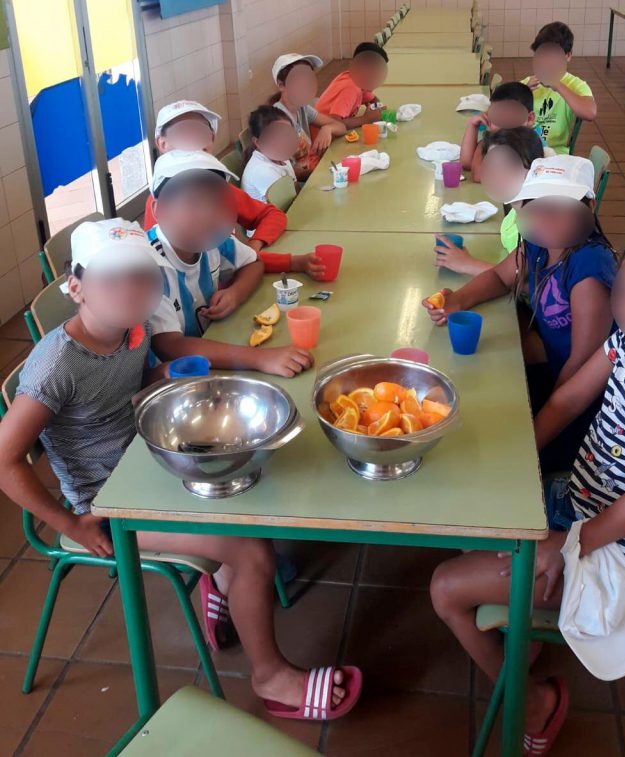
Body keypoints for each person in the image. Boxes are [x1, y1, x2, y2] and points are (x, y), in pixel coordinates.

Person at [0, 218, 362, 720]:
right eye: (112, 278)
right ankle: (270, 676)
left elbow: (126, 387)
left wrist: (161, 373)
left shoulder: (133, 328)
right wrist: (72, 524)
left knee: (260, 481)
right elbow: (5, 460)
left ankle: (225, 587)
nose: (131, 290)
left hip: (147, 457)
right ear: (77, 288)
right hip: (107, 504)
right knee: (251, 550)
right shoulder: (57, 365)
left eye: (142, 276)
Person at [429, 224, 625, 754]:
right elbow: (568, 401)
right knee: (464, 513)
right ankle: (523, 640)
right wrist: (521, 457)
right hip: (575, 500)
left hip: (616, 551)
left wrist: (569, 544)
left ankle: (536, 701)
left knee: (445, 588)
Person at [424, 155, 616, 473]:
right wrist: (457, 300)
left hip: (585, 411)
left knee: (484, 452)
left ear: (588, 208)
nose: (547, 218)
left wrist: (532, 439)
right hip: (552, 372)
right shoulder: (538, 242)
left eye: (560, 207)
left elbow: (581, 369)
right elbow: (501, 278)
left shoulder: (590, 267)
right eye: (536, 206)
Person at [148, 149, 314, 379]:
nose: (207, 214)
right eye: (192, 203)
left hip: (215, 347)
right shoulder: (148, 268)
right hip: (174, 378)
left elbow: (254, 263)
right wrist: (260, 358)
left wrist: (235, 293)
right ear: (159, 210)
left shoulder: (213, 240)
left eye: (216, 202)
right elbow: (170, 346)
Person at [147, 99, 324, 279]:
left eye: (201, 130)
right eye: (183, 131)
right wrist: (285, 262)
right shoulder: (165, 207)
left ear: (212, 140)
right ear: (162, 144)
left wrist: (255, 246)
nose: (194, 138)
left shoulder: (218, 190)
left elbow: (269, 217)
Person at [436, 127, 544, 277]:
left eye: (509, 165)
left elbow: (530, 279)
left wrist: (468, 264)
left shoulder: (541, 224)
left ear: (535, 168)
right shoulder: (514, 212)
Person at [521, 22, 597, 155]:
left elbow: (590, 113)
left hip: (556, 153)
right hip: (524, 148)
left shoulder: (575, 84)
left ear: (568, 55)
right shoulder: (528, 83)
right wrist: (523, 91)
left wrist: (557, 85)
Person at [270, 54, 347, 180]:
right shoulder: (277, 121)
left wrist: (327, 129)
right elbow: (288, 173)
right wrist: (323, 171)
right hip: (300, 183)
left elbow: (341, 127)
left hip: (312, 172)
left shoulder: (303, 108)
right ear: (281, 85)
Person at [460, 82, 546, 183]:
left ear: (530, 119)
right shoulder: (496, 137)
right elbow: (466, 164)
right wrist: (472, 126)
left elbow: (479, 175)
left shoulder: (531, 141)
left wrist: (486, 140)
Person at [314, 42, 389, 129]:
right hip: (323, 135)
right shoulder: (351, 88)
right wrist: (365, 119)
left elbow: (373, 99)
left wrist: (378, 108)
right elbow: (334, 123)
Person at [241, 106, 301, 204]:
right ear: (258, 143)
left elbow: (294, 184)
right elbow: (290, 202)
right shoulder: (263, 170)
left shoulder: (279, 155)